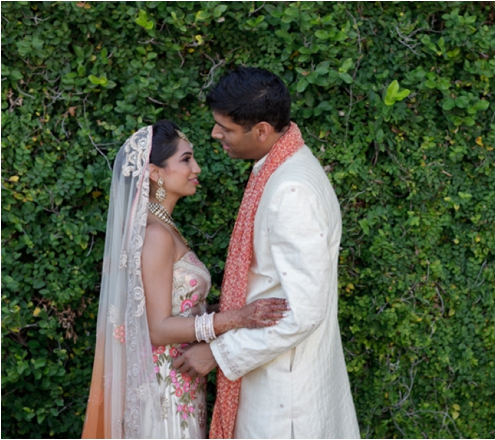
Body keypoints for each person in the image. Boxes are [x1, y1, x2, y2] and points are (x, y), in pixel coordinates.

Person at [172, 67, 361, 438]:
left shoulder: (292, 190)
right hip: (276, 376)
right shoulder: (282, 167)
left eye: (225, 128)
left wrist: (218, 354)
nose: (214, 134)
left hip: (283, 395)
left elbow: (303, 313)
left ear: (261, 130)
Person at [82, 120, 288, 438]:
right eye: (186, 159)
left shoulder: (164, 229)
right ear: (155, 173)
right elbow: (158, 328)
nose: (197, 168)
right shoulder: (155, 236)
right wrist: (237, 318)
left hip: (182, 380)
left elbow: (179, 308)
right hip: (164, 388)